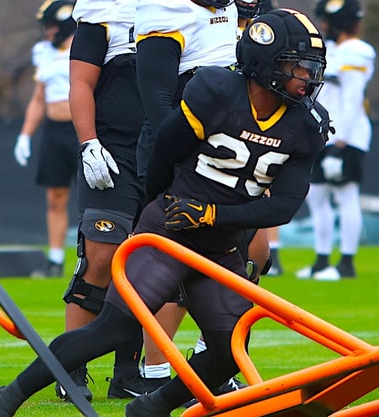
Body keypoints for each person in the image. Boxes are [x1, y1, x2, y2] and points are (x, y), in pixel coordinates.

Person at [0, 8, 330, 417]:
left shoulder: (307, 124)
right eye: (295, 67)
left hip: (220, 242)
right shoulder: (215, 90)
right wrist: (160, 209)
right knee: (116, 326)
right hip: (171, 230)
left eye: (309, 68)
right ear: (265, 64)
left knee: (229, 352)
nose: (306, 79)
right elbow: (163, 151)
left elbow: (283, 205)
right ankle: (10, 395)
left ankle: (154, 406)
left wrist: (213, 216)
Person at [133, 0, 269, 393]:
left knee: (251, 256)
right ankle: (154, 374)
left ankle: (213, 366)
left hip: (227, 146)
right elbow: (158, 100)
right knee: (174, 265)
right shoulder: (170, 9)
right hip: (185, 143)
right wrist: (187, 151)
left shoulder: (247, 20)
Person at [61, 0, 150, 402]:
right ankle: (69, 370)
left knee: (145, 266)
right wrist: (89, 142)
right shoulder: (103, 11)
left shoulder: (186, 10)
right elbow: (80, 83)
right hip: (113, 151)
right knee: (100, 258)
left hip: (163, 152)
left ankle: (128, 373)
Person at [296, 0, 374, 281]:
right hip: (325, 133)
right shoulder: (335, 51)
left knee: (345, 194)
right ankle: (321, 259)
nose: (324, 26)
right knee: (316, 195)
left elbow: (352, 100)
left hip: (348, 135)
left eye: (328, 21)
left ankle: (347, 263)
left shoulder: (357, 51)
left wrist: (340, 145)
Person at [13, 1, 78, 278]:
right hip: (54, 129)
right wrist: (25, 135)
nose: (48, 33)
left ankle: (92, 260)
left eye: (51, 27)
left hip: (81, 128)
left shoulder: (84, 47)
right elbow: (39, 98)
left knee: (91, 198)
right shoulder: (43, 52)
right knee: (55, 195)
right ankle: (55, 259)